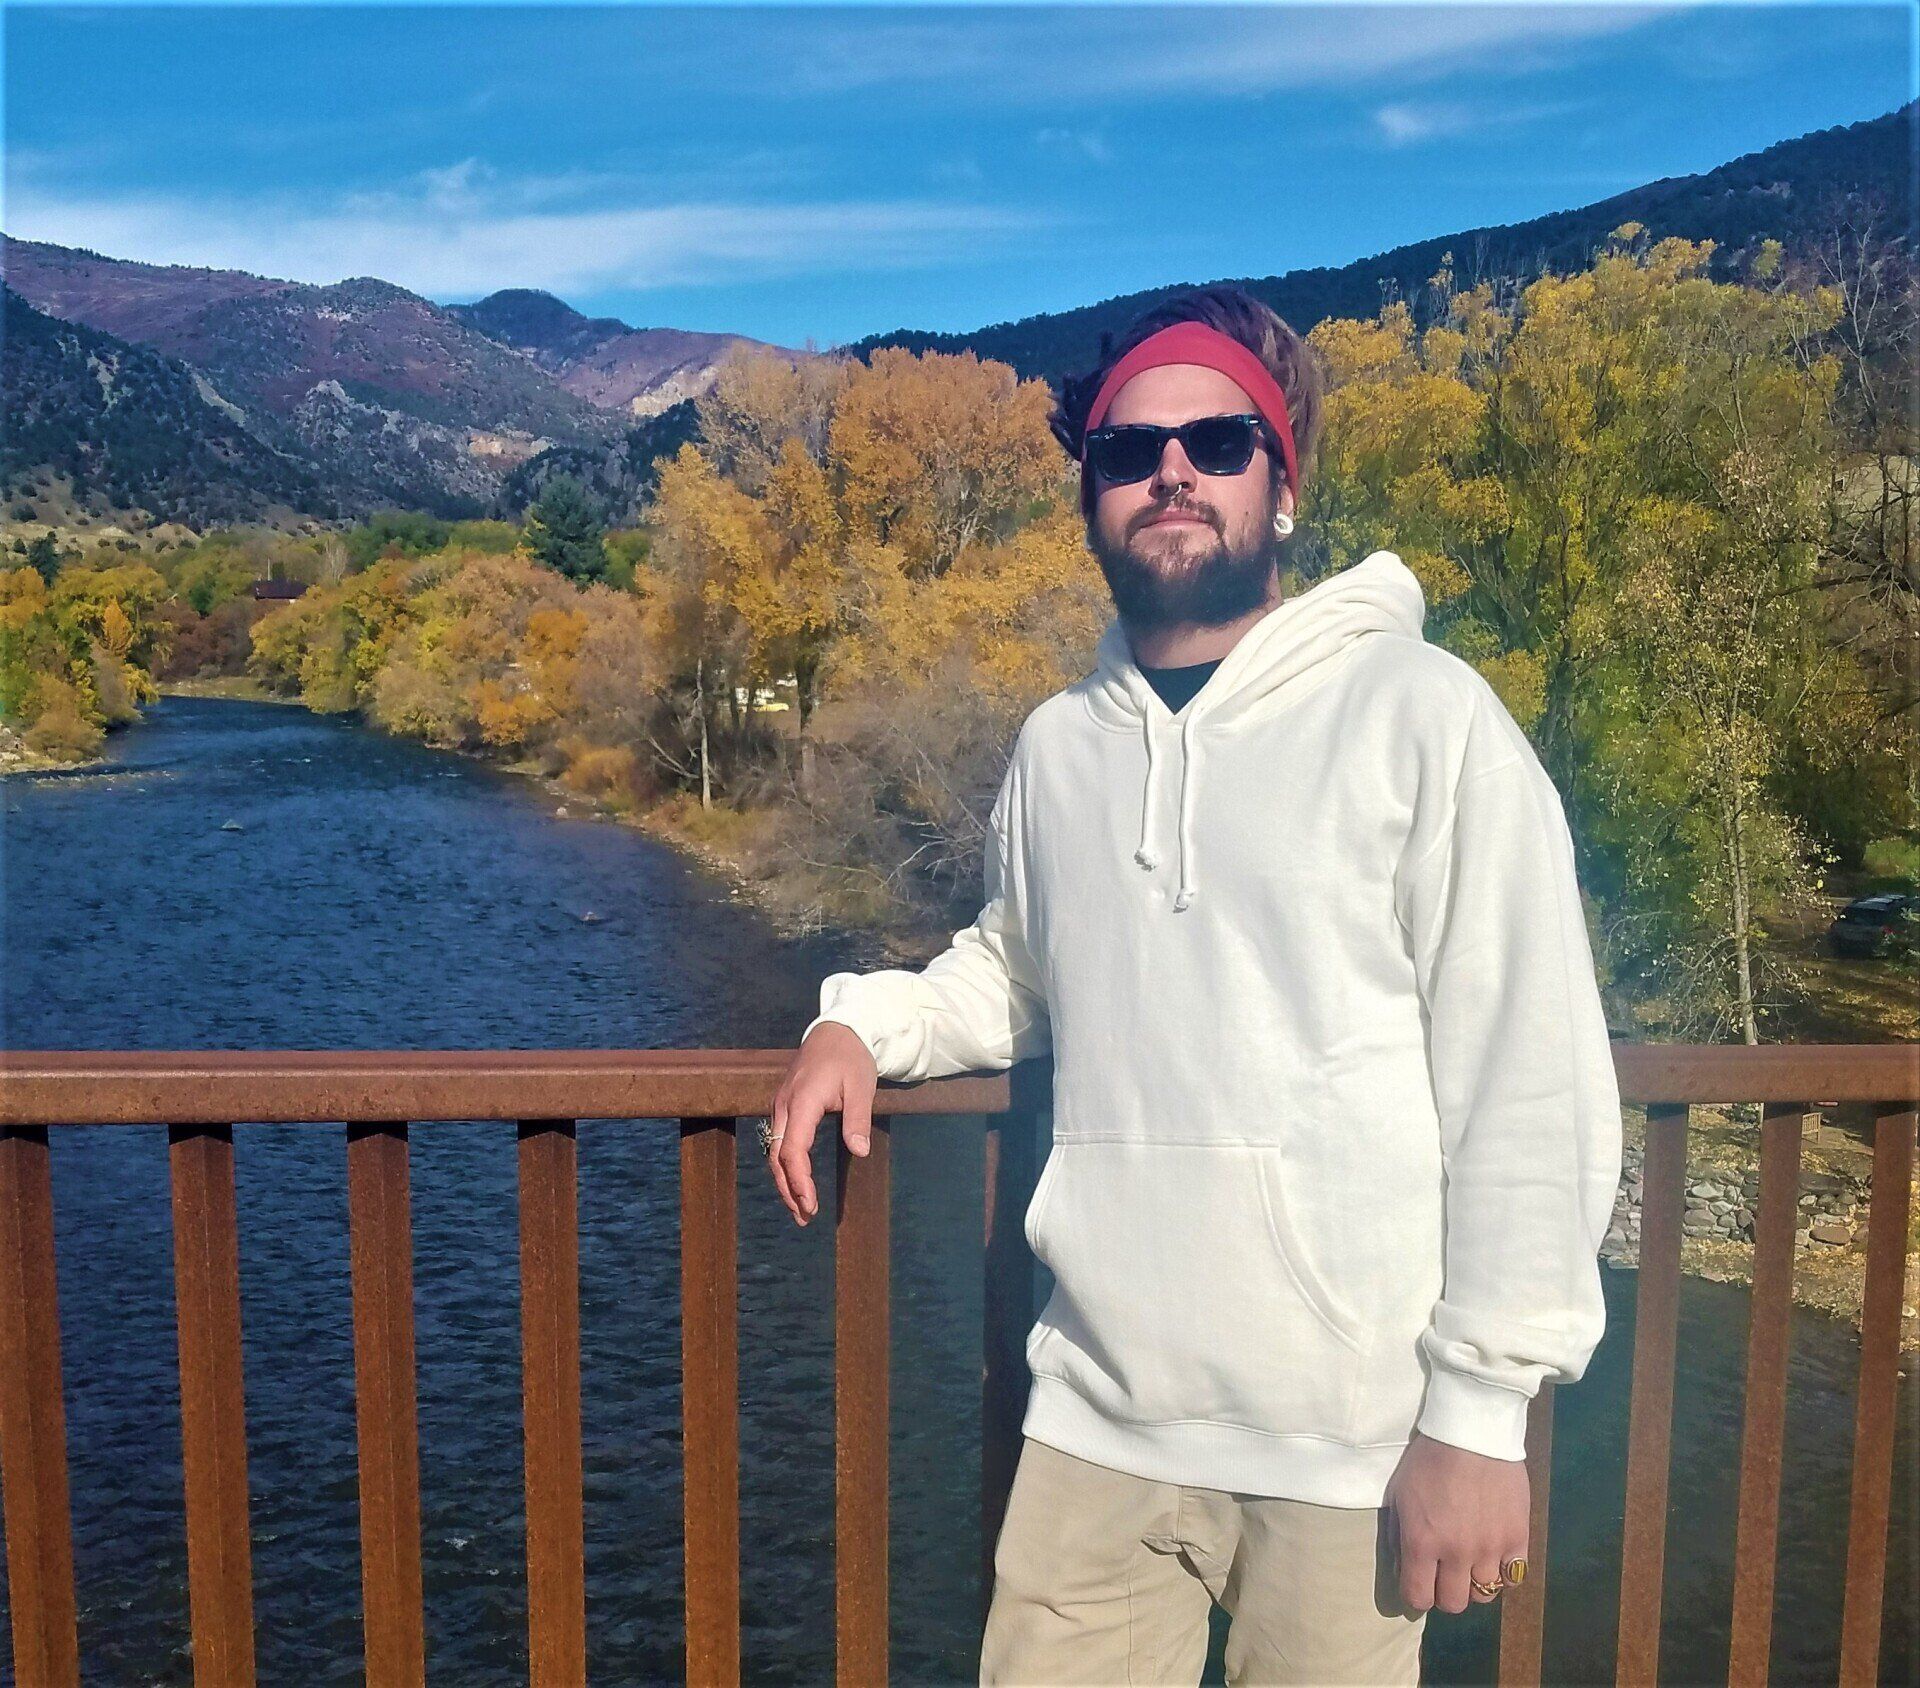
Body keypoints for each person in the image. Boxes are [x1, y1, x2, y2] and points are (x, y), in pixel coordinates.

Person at [765, 284, 1624, 1686]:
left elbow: (1527, 1071)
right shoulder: (1058, 746)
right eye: (1127, 450)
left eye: (1219, 442)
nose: (1171, 471)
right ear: (1092, 498)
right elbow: (1016, 971)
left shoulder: (1421, 715)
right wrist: (859, 1023)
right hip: (1094, 1427)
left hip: (1347, 1447)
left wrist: (1478, 1417)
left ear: (1280, 488)